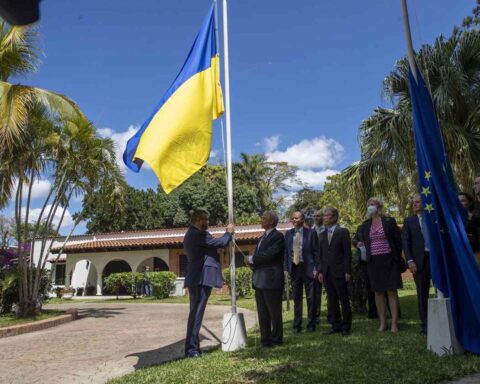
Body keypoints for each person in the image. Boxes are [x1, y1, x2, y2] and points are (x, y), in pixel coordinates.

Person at [183, 208, 234, 358]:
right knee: (196, 314)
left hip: (197, 278)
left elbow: (209, 248)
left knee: (195, 314)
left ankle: (194, 348)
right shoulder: (198, 234)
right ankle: (192, 350)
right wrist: (229, 233)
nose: (207, 222)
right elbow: (221, 241)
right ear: (198, 220)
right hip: (200, 278)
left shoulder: (191, 233)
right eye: (205, 219)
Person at [354, 197, 402, 333]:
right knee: (378, 292)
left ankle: (394, 323)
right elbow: (356, 239)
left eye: (372, 204)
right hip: (373, 262)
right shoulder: (365, 225)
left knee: (391, 291)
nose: (370, 205)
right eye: (368, 204)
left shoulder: (389, 221)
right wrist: (357, 243)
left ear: (379, 207)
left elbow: (398, 242)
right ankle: (382, 322)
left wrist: (396, 258)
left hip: (389, 260)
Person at [248, 211, 285, 347]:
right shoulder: (261, 238)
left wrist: (252, 258)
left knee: (274, 312)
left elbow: (270, 254)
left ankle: (276, 339)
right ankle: (265, 339)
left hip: (272, 280)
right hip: (259, 281)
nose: (260, 220)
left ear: (271, 221)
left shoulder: (278, 237)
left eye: (263, 218)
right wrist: (252, 262)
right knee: (262, 312)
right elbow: (261, 256)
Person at [317, 207, 352, 336]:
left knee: (343, 299)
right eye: (324, 216)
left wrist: (347, 271)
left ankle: (346, 326)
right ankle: (335, 325)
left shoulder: (342, 232)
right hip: (327, 272)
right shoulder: (321, 235)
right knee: (332, 301)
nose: (325, 218)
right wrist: (320, 271)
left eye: (328, 215)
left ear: (335, 217)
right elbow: (320, 256)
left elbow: (347, 253)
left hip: (340, 271)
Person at [284, 211, 319, 333]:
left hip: (308, 268)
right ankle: (297, 325)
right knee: (297, 298)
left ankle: (311, 324)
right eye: (292, 218)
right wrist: (286, 269)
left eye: (297, 218)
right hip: (294, 268)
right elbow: (286, 253)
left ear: (302, 219)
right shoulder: (288, 234)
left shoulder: (311, 233)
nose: (294, 220)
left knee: (311, 298)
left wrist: (316, 268)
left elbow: (316, 252)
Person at [402, 193, 431, 335]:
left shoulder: (433, 218)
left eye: (418, 202)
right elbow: (405, 242)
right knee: (422, 293)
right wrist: (410, 260)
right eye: (413, 202)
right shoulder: (409, 221)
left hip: (436, 258)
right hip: (419, 262)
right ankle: (425, 325)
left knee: (442, 289)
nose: (414, 204)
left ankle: (447, 321)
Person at [352, 227, 377, 319]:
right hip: (364, 263)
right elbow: (354, 239)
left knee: (384, 288)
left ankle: (394, 312)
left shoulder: (380, 225)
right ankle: (373, 312)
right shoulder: (361, 228)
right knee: (369, 288)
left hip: (378, 261)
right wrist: (356, 243)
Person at [312, 210, 325, 324]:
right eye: (314, 216)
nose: (316, 218)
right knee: (316, 291)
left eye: (318, 216)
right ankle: (316, 315)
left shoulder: (326, 229)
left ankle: (334, 314)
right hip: (316, 264)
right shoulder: (311, 231)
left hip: (327, 263)